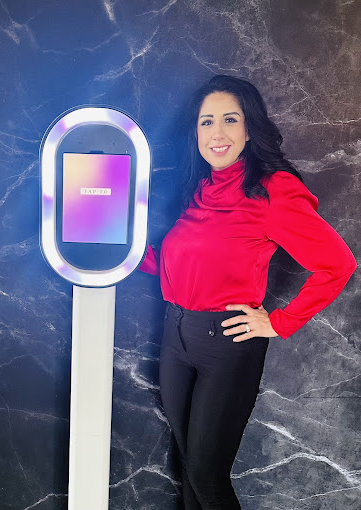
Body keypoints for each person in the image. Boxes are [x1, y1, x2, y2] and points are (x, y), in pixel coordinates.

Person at [139, 75, 357, 510]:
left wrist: (278, 321)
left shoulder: (274, 190)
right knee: (187, 469)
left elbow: (339, 264)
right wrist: (119, 251)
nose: (216, 133)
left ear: (248, 128)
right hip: (175, 336)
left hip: (228, 346)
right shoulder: (196, 189)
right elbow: (172, 265)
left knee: (206, 473)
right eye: (206, 122)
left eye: (229, 120)